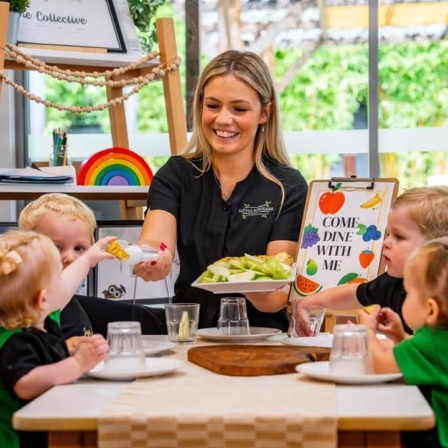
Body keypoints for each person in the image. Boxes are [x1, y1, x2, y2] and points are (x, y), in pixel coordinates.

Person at [133, 50, 308, 331]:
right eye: (213, 106)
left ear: (265, 113)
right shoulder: (176, 175)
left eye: (239, 109)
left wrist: (245, 281)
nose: (223, 120)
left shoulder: (288, 187)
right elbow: (156, 242)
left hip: (261, 339)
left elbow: (276, 296)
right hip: (188, 336)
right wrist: (151, 259)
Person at [0, 230, 112, 448]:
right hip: (17, 440)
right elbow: (25, 383)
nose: (64, 281)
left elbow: (67, 285)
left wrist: (88, 259)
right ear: (42, 299)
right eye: (57, 277)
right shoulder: (16, 340)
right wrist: (77, 363)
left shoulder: (44, 320)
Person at [294, 186, 448, 335]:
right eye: (388, 234)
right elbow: (354, 294)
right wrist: (309, 302)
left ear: (435, 246)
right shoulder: (392, 283)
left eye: (399, 236)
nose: (385, 242)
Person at [18, 193, 167, 340]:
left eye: (79, 248)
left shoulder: (73, 304)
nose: (70, 258)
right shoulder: (29, 303)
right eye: (57, 248)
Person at [359, 237, 448, 448]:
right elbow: (428, 358)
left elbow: (378, 366)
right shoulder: (437, 341)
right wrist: (400, 337)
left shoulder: (431, 341)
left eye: (408, 293)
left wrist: (367, 331)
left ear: (431, 310)